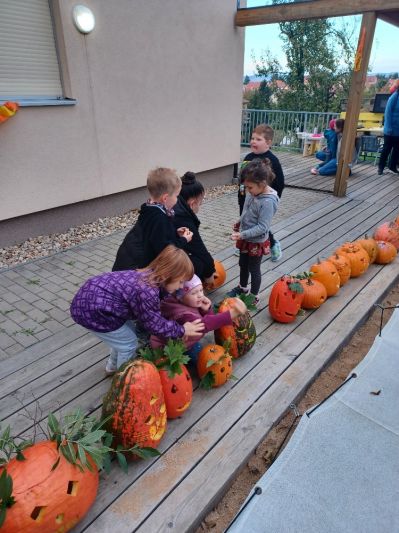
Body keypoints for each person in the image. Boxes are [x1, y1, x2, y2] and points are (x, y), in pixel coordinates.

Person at [70, 246, 205, 374]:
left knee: (125, 336)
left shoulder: (152, 276)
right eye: (180, 282)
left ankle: (112, 367)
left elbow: (165, 297)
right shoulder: (148, 291)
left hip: (99, 302)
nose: (181, 286)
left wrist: (197, 300)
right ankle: (124, 382)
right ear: (166, 276)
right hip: (92, 310)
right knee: (128, 344)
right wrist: (181, 330)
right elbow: (154, 325)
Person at [150, 274, 247, 363]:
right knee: (204, 361)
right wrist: (231, 314)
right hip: (167, 350)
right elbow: (205, 325)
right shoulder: (182, 314)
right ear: (181, 297)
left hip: (183, 342)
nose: (200, 295)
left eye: (201, 290)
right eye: (194, 293)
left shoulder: (185, 302)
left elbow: (208, 319)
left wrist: (206, 310)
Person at [113, 167, 193, 271]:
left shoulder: (150, 209)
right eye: (177, 196)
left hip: (128, 263)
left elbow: (156, 237)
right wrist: (184, 240)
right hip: (135, 271)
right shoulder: (159, 218)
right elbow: (166, 251)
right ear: (165, 198)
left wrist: (174, 233)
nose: (177, 200)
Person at [230, 158, 279, 305]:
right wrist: (240, 220)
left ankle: (253, 295)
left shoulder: (268, 202)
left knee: (254, 268)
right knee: (242, 263)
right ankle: (242, 287)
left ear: (262, 184)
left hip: (256, 241)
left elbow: (263, 227)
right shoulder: (253, 193)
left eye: (250, 188)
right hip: (245, 237)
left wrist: (242, 234)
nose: (248, 191)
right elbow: (246, 209)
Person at [238, 124, 284, 261]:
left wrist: (272, 200)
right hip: (247, 199)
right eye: (252, 138)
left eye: (258, 139)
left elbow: (280, 183)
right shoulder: (247, 157)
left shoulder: (273, 160)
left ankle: (274, 244)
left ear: (268, 143)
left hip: (264, 202)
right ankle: (245, 244)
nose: (253, 141)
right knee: (246, 222)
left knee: (261, 225)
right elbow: (241, 180)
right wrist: (241, 196)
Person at [173, 171, 216, 285]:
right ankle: (186, 291)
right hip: (147, 270)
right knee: (198, 264)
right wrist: (210, 273)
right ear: (192, 203)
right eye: (200, 202)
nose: (200, 205)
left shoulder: (174, 208)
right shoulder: (182, 218)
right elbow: (199, 249)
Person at [378, 82, 399, 175]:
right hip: (390, 130)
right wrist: (389, 127)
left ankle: (392, 166)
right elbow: (388, 113)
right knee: (386, 149)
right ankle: (381, 168)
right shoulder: (394, 97)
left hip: (398, 130)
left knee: (397, 149)